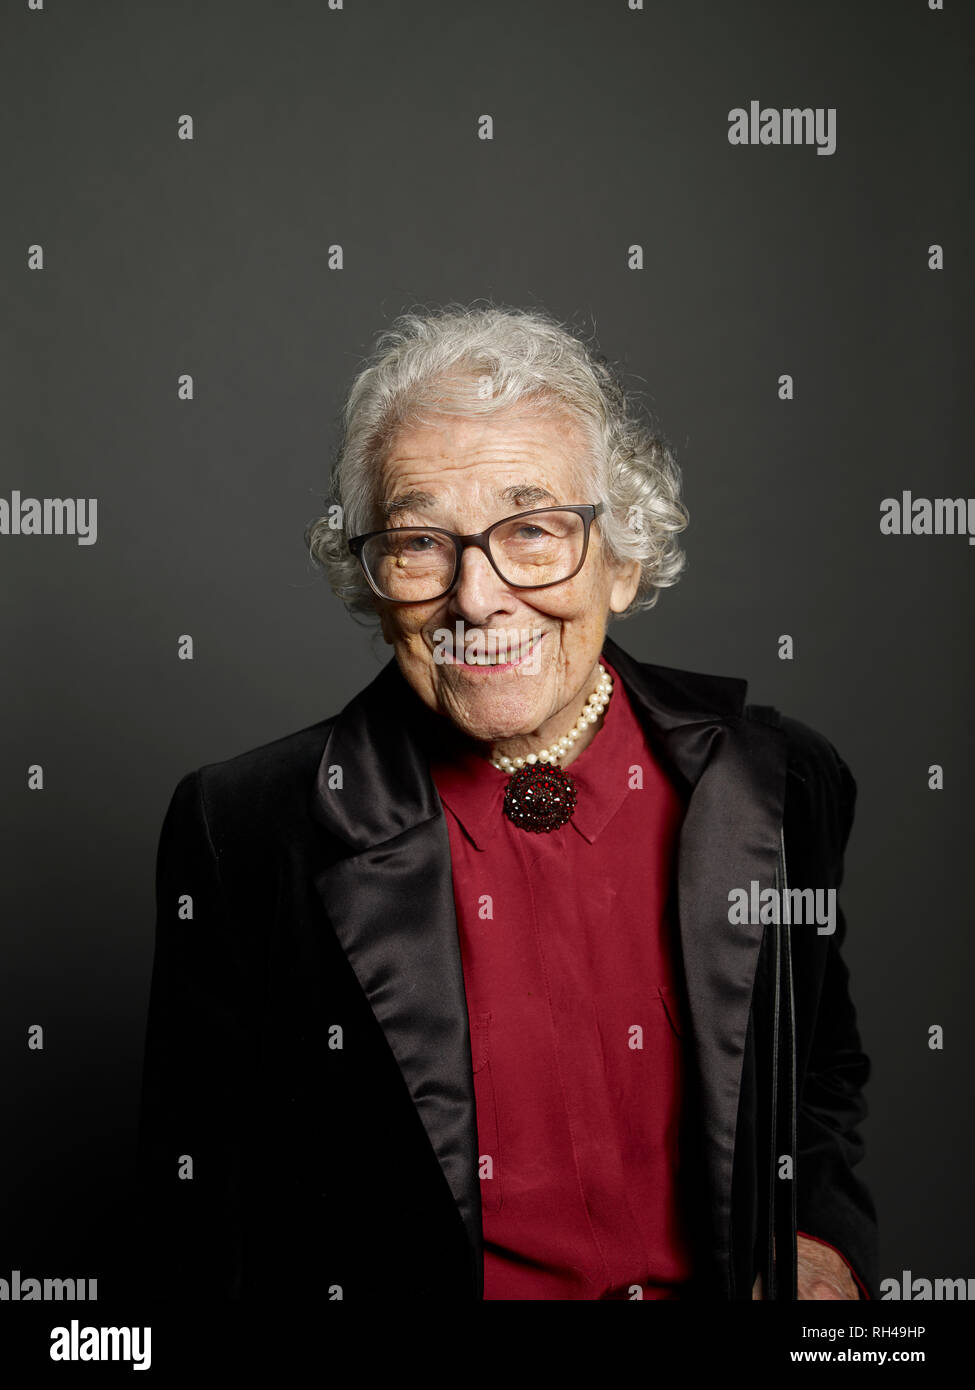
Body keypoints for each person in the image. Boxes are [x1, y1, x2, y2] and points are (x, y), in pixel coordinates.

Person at [136, 302, 878, 1300]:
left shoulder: (781, 782)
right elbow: (202, 1220)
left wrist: (822, 1244)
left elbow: (818, 1074)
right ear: (373, 577)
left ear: (623, 559)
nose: (477, 595)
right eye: (419, 542)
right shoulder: (248, 831)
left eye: (532, 531)